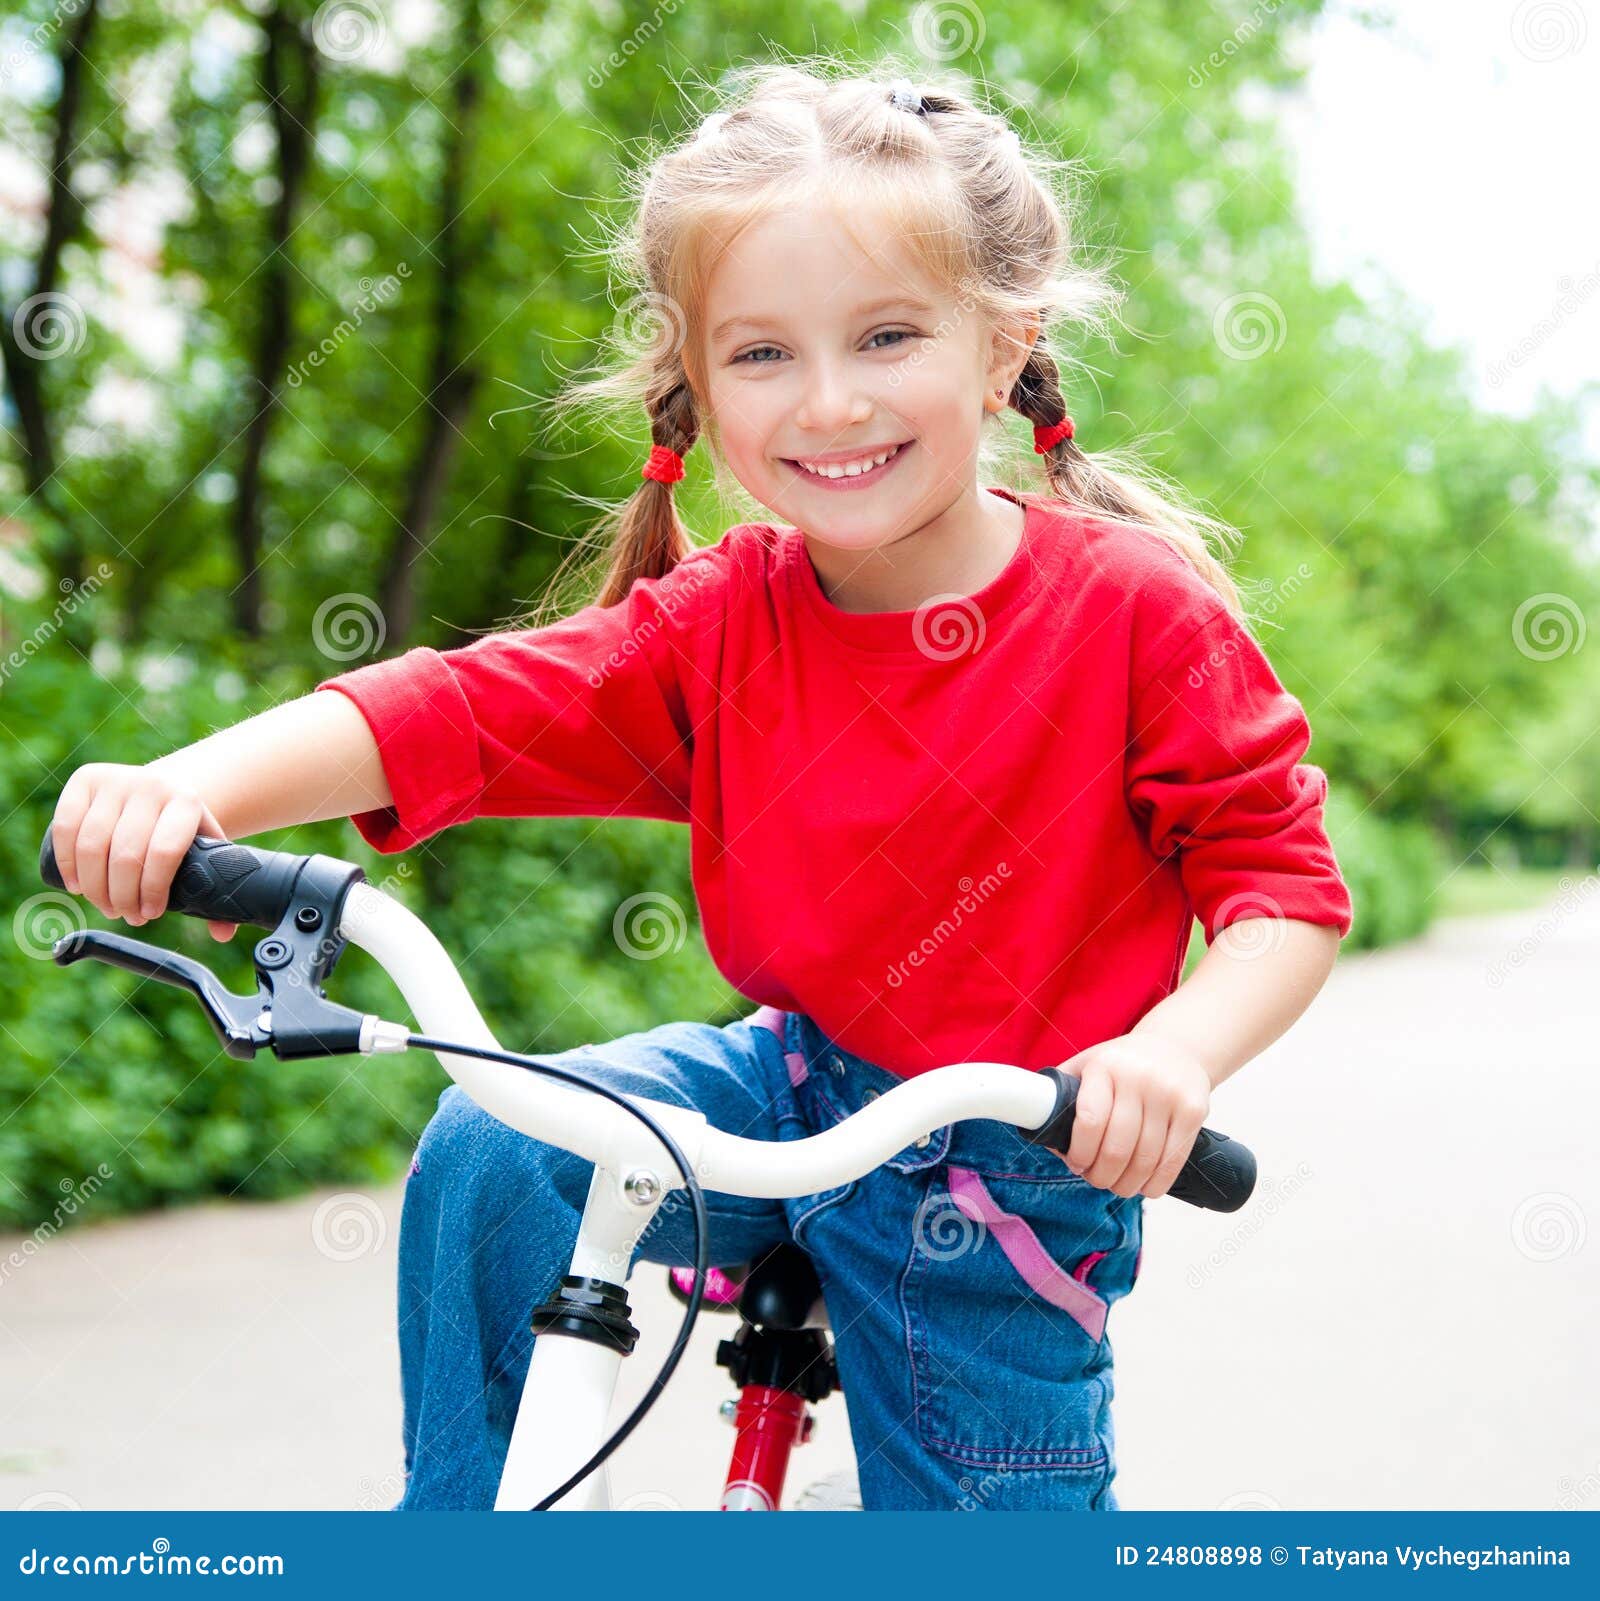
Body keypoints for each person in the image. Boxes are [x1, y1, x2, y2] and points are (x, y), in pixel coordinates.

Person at [47, 61, 1352, 1511]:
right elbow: (464, 710)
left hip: (1006, 1168)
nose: (831, 399)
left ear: (1003, 348)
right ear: (698, 378)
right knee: (500, 1144)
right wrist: (189, 784)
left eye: (889, 334)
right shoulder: (726, 620)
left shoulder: (1132, 616)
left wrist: (1171, 1054)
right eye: (764, 353)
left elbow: (1281, 891)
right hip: (790, 1082)